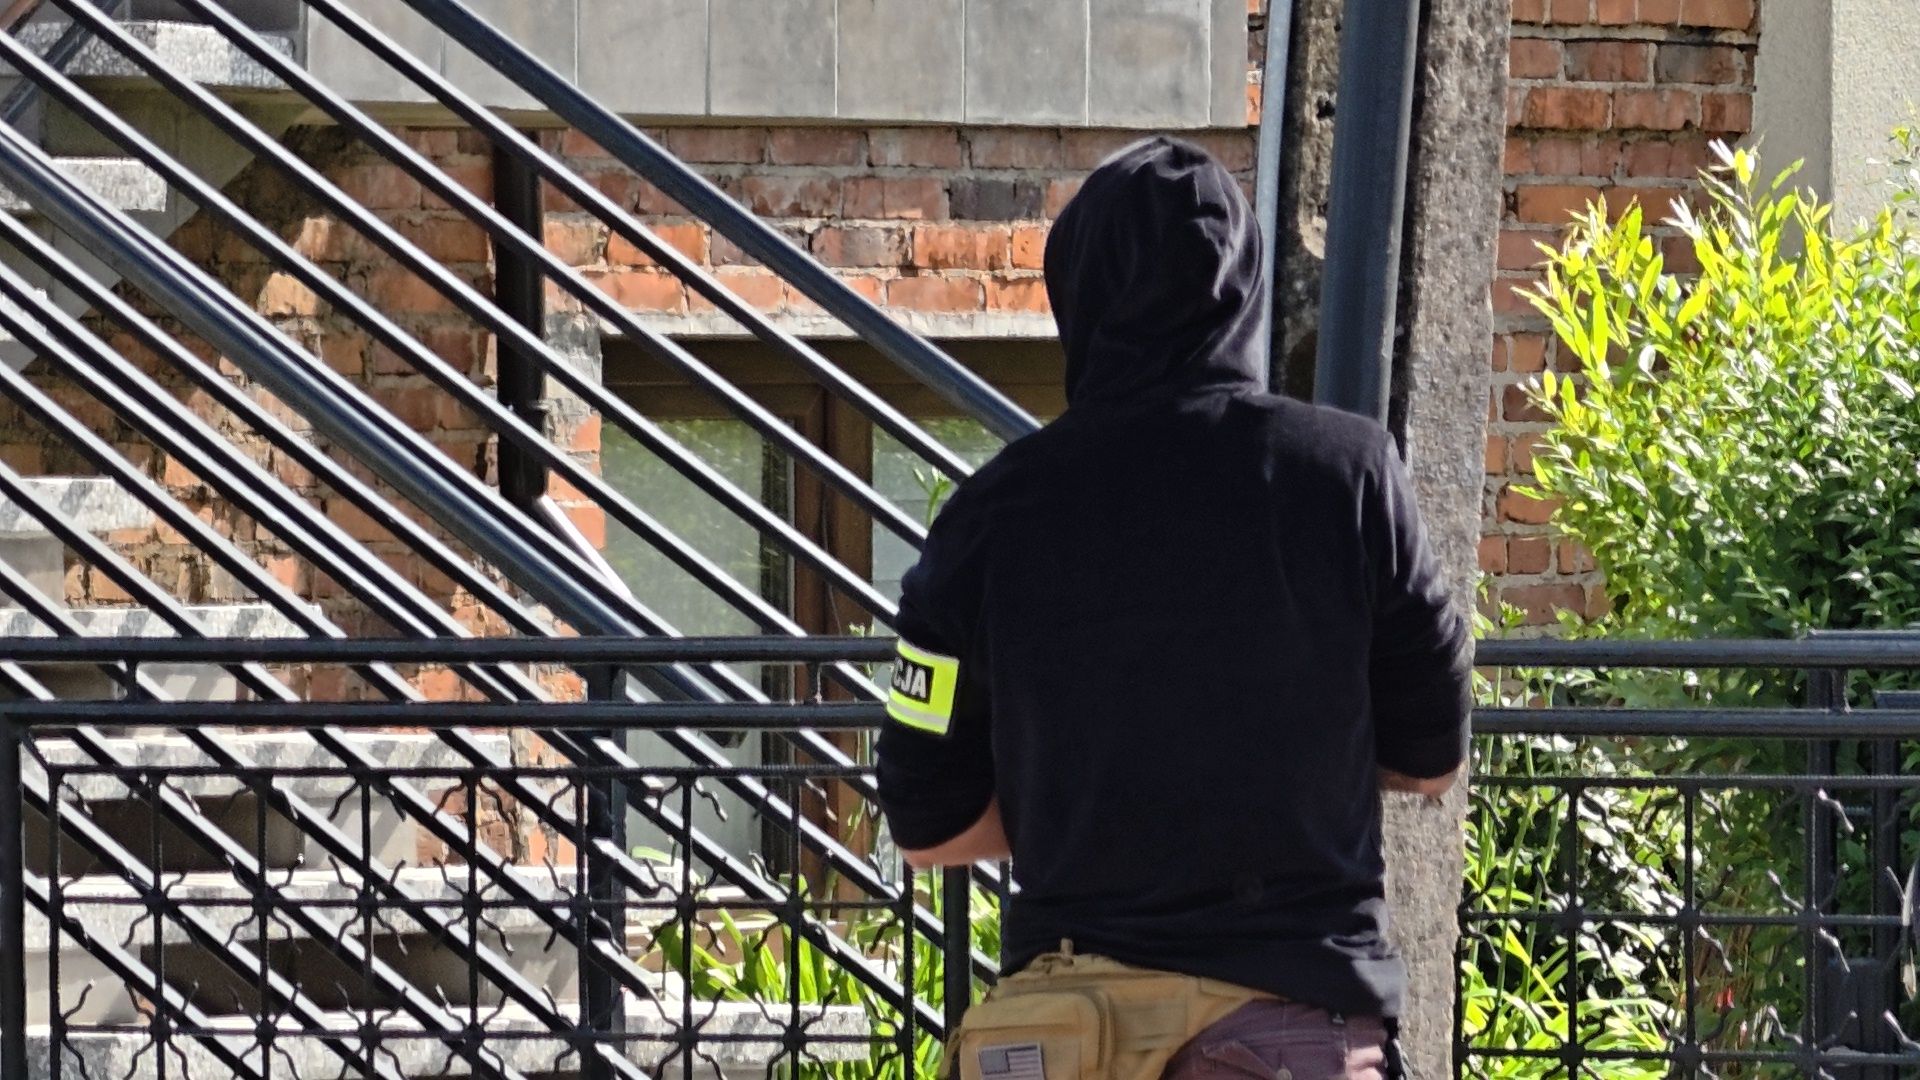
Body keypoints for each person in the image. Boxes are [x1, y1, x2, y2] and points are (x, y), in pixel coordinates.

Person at [874, 136, 1473, 1080]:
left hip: (1064, 1036)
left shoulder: (989, 515)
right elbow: (1435, 757)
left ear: (1076, 293)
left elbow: (925, 826)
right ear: (1246, 291)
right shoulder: (1350, 476)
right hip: (1290, 1023)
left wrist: (1082, 809)